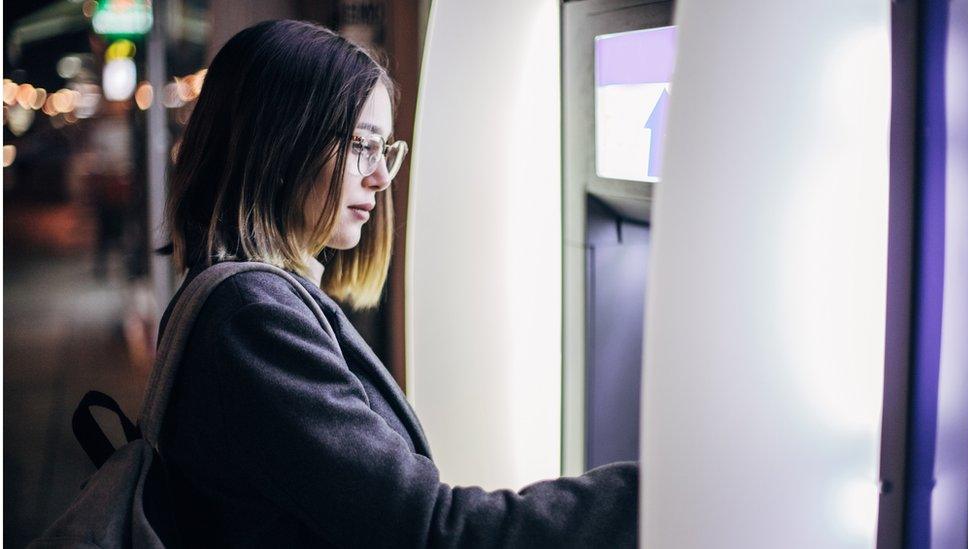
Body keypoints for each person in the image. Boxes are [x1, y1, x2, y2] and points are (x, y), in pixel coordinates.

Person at [158, 19, 638, 548]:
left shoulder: (250, 298)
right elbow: (428, 529)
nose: (382, 177)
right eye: (362, 145)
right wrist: (646, 493)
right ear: (279, 142)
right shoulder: (252, 318)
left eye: (386, 149)